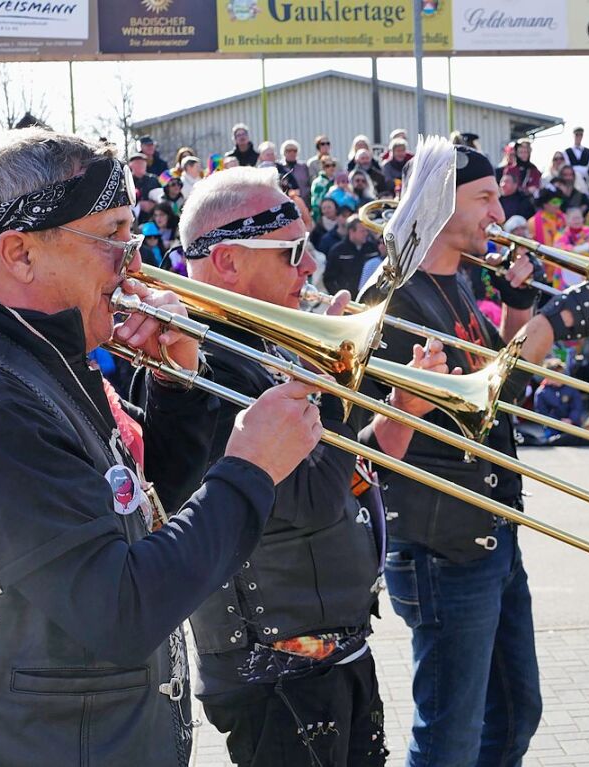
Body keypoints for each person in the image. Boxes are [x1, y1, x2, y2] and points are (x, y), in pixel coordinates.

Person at [0, 128, 323, 766]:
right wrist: (249, 469)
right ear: (20, 253)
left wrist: (177, 388)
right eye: (111, 236)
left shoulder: (34, 355)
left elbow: (138, 510)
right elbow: (123, 608)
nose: (133, 263)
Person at [177, 166, 446, 767]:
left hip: (333, 652)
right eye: (294, 251)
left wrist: (403, 411)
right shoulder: (202, 366)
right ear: (227, 263)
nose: (310, 268)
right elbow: (310, 499)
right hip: (279, 672)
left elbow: (350, 482)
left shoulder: (265, 346)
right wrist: (334, 383)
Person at [365, 144, 589, 767]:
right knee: (450, 733)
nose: (499, 212)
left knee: (514, 711)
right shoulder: (396, 293)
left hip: (490, 526)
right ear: (441, 204)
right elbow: (459, 409)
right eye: (485, 198)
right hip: (442, 544)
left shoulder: (458, 279)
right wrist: (548, 330)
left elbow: (487, 385)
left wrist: (522, 309)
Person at [324, 215, 379, 298]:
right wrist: (339, 297)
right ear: (351, 231)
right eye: (362, 231)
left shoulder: (372, 249)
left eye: (366, 231)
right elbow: (329, 279)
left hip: (369, 299)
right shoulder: (338, 251)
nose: (366, 234)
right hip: (347, 301)